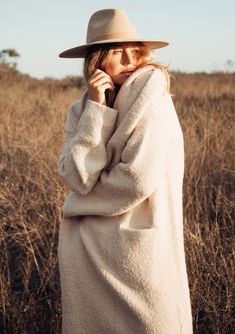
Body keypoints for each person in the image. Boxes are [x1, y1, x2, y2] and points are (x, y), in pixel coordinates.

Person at [57, 8, 193, 334]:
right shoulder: (81, 109)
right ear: (97, 59)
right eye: (118, 50)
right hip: (92, 255)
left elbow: (137, 179)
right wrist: (97, 109)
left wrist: (80, 205)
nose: (131, 58)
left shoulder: (152, 100)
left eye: (136, 49)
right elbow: (76, 175)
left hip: (139, 252)